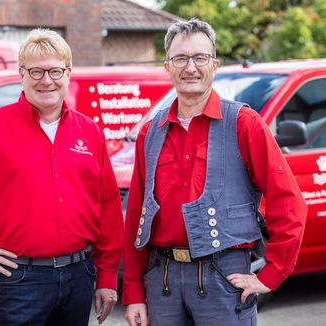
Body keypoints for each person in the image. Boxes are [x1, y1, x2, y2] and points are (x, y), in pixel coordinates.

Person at [0, 28, 124, 326]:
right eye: (36, 71)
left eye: (55, 70)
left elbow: (107, 209)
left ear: (68, 73)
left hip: (80, 276)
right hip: (19, 281)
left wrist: (107, 276)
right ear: (21, 74)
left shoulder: (89, 132)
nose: (46, 80)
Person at [122, 18, 307, 326]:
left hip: (224, 279)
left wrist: (272, 274)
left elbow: (289, 202)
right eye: (180, 58)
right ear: (167, 67)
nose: (190, 67)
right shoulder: (149, 133)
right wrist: (134, 292)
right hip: (161, 283)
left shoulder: (244, 124)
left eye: (200, 58)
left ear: (215, 64)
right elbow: (137, 221)